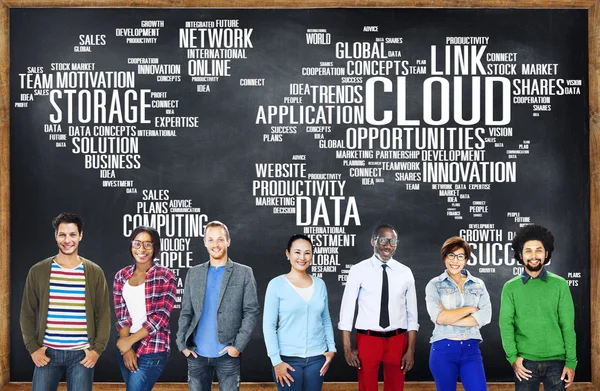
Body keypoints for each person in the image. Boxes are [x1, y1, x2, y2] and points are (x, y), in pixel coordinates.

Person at [20, 212, 111, 391]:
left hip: (82, 356)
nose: (67, 240)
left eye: (72, 234)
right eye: (62, 234)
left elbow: (103, 314)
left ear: (80, 236)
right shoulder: (38, 271)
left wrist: (97, 350)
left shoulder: (94, 272)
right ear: (56, 236)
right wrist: (33, 349)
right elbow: (27, 313)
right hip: (47, 354)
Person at [176, 220, 260, 391]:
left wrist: (237, 346)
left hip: (227, 355)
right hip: (196, 354)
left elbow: (251, 311)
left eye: (220, 239)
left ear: (228, 241)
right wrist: (182, 344)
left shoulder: (244, 273)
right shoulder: (193, 273)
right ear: (205, 242)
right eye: (211, 239)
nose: (216, 244)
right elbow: (186, 312)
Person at [338, 224, 419, 391]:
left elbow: (412, 314)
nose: (388, 246)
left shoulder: (405, 272)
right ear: (373, 241)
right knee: (367, 388)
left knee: (396, 388)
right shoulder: (358, 270)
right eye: (383, 240)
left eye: (393, 241)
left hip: (398, 340)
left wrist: (410, 349)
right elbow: (347, 311)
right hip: (368, 339)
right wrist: (347, 348)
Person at [499, 224, 577, 390]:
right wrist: (513, 358)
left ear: (546, 253)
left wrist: (571, 362)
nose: (533, 256)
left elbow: (568, 326)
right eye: (528, 250)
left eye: (539, 250)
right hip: (525, 363)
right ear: (520, 254)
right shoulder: (510, 287)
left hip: (557, 363)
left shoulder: (560, 285)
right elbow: (506, 325)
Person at [263, 234, 336, 390]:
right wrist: (276, 361)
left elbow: (326, 319)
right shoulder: (276, 285)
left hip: (317, 360)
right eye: (297, 252)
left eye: (307, 252)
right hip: (287, 360)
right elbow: (268, 326)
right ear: (288, 254)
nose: (302, 257)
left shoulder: (320, 284)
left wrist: (331, 350)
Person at [113, 226, 177, 390]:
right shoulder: (121, 276)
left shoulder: (165, 275)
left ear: (155, 247)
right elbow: (122, 314)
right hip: (126, 343)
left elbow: (161, 317)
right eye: (137, 243)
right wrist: (126, 348)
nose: (142, 249)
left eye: (148, 244)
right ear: (131, 245)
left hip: (153, 345)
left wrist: (128, 342)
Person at [425, 236, 491, 391]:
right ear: (444, 257)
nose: (455, 261)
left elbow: (485, 316)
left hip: (471, 349)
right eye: (451, 255)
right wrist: (470, 310)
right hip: (443, 349)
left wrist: (449, 316)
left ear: (466, 259)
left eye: (460, 256)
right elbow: (438, 318)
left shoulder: (478, 284)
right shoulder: (435, 285)